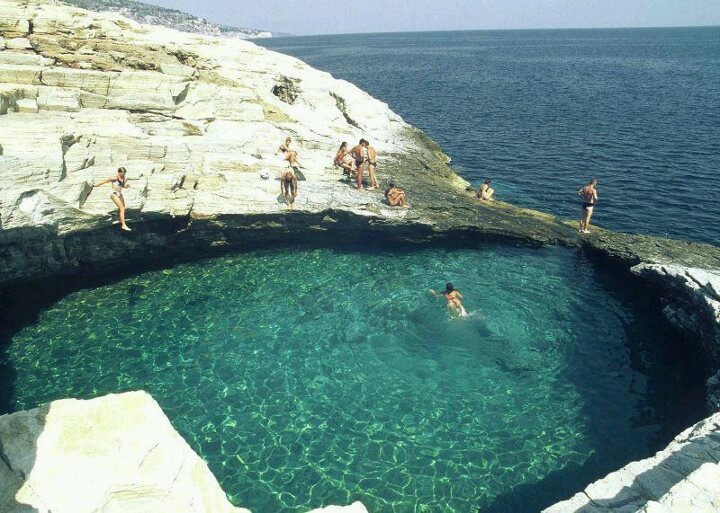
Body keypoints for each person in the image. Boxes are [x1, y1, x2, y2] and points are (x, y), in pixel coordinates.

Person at [93, 166, 132, 231]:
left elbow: (122, 186)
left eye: (124, 173)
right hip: (114, 193)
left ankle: (120, 219)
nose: (123, 174)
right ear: (119, 172)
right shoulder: (114, 178)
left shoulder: (124, 178)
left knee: (123, 207)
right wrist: (96, 185)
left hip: (119, 193)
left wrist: (126, 186)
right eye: (122, 173)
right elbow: (104, 181)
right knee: (122, 207)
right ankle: (123, 225)